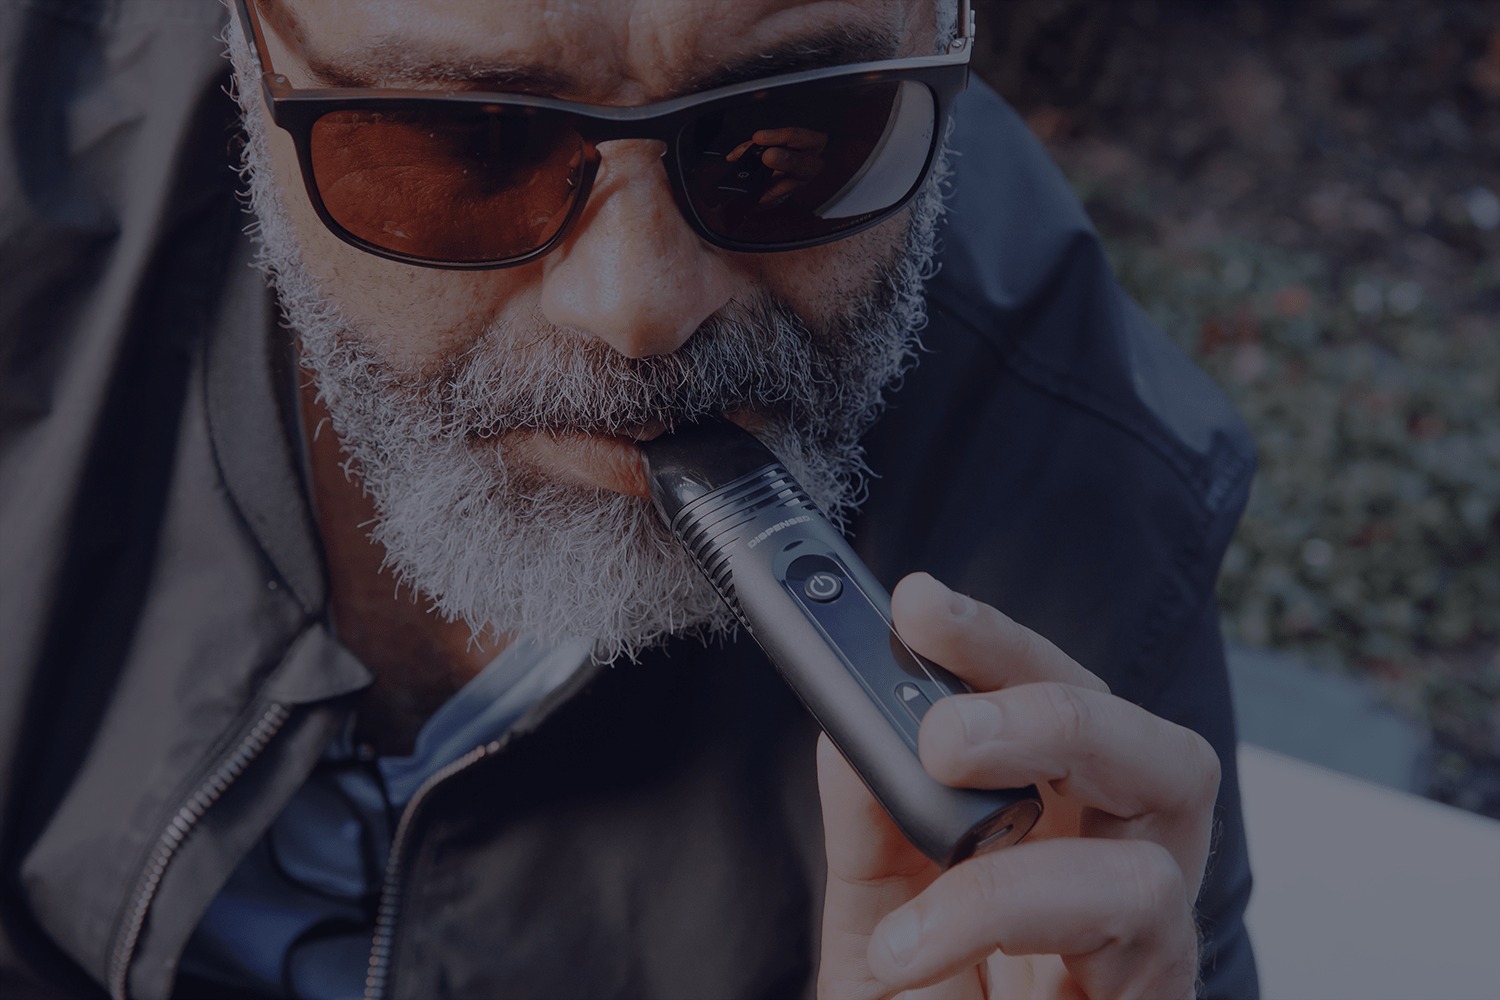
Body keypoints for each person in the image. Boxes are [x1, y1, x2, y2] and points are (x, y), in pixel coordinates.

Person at [0, 0, 1259, 997]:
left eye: (791, 132)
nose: (637, 307)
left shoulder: (1096, 506)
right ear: (243, 52)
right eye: (464, 142)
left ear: (949, 30)